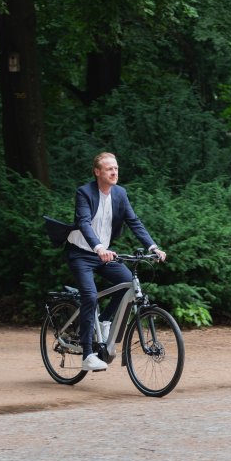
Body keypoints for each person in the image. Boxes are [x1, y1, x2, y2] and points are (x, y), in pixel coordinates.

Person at [65, 152, 166, 372]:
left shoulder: (120, 193)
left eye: (117, 168)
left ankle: (105, 320)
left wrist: (153, 247)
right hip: (82, 254)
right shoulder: (84, 192)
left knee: (127, 283)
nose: (114, 172)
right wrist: (99, 247)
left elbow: (134, 221)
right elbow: (83, 222)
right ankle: (87, 354)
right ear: (97, 172)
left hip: (105, 254)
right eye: (109, 169)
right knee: (90, 296)